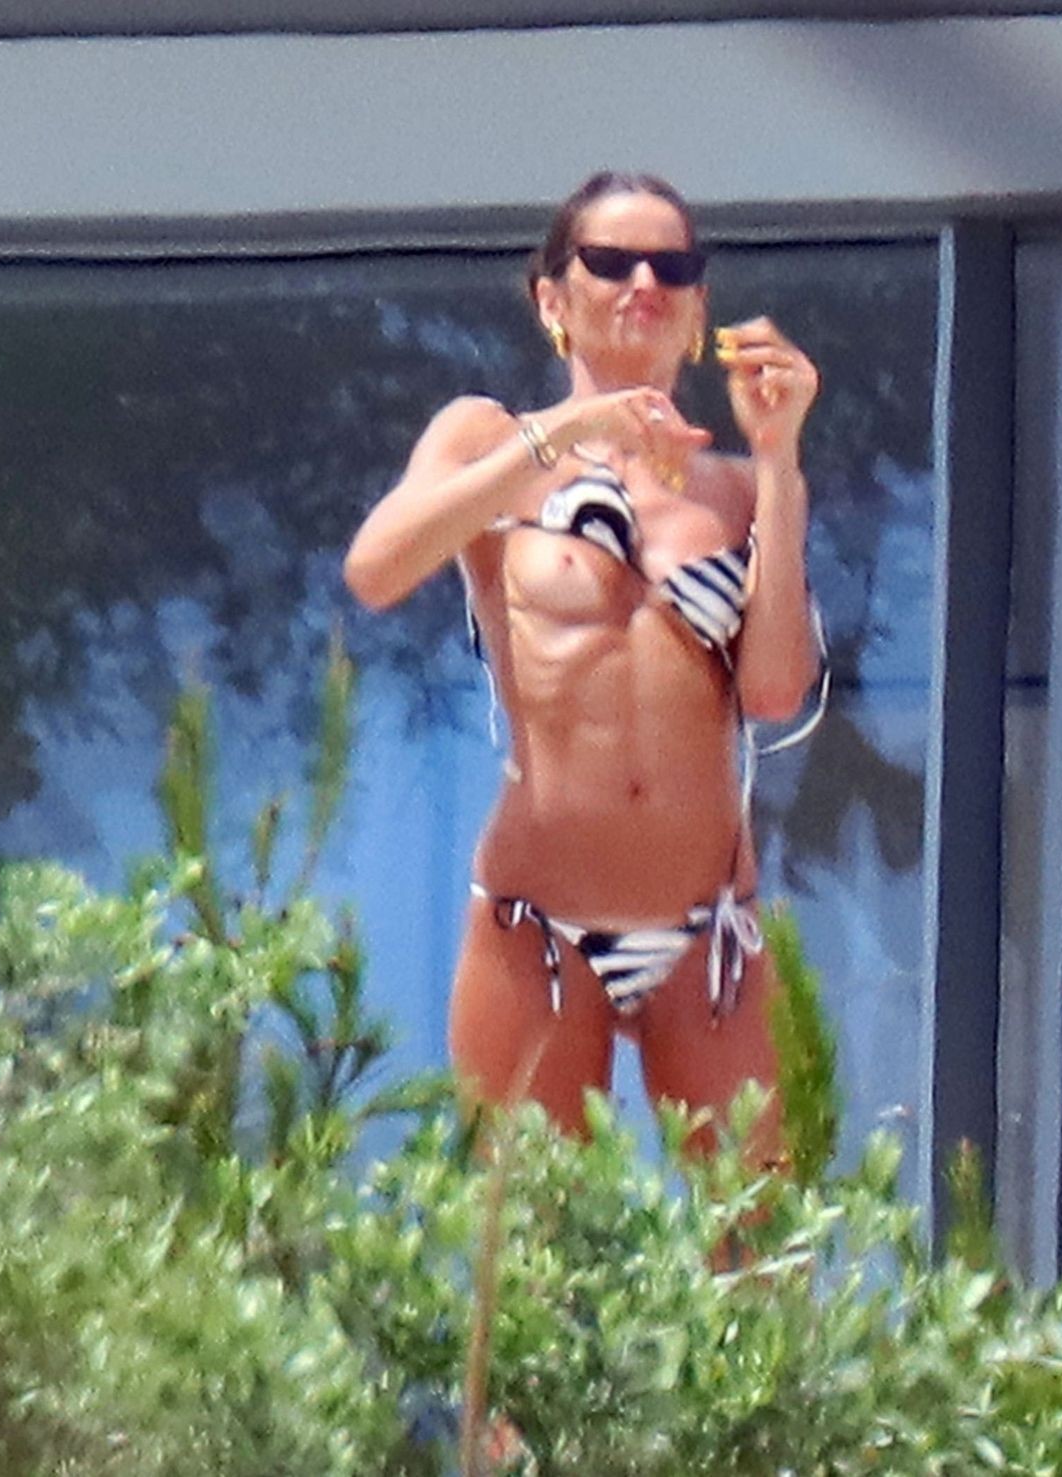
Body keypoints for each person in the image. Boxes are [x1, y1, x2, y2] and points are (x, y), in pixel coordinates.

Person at [343, 170, 824, 1159]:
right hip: (539, 921)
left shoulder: (739, 489)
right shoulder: (487, 441)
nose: (644, 282)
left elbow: (776, 689)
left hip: (708, 927)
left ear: (698, 306)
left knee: (757, 1236)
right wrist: (568, 432)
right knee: (527, 1237)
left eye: (672, 267)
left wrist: (779, 458)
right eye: (610, 262)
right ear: (552, 299)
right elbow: (377, 569)